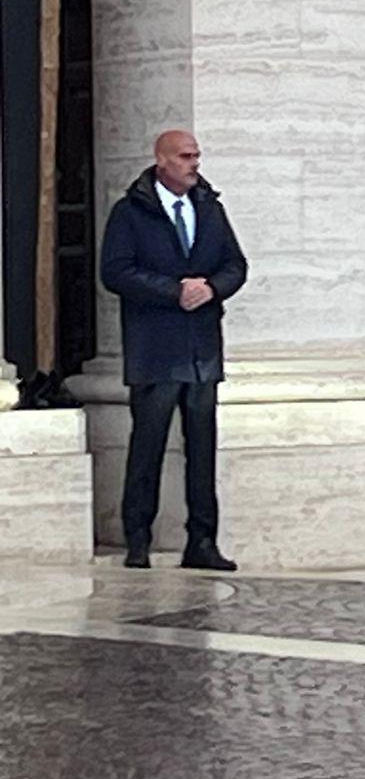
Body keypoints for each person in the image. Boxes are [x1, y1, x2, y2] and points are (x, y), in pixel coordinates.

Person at [98, 130, 248, 572]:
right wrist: (172, 291)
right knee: (148, 446)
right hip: (155, 350)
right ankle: (138, 540)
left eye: (196, 156)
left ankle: (202, 541)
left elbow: (236, 264)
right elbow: (117, 271)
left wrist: (212, 288)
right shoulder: (131, 213)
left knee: (203, 450)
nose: (194, 164)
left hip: (201, 350)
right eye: (185, 156)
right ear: (162, 161)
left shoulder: (210, 207)